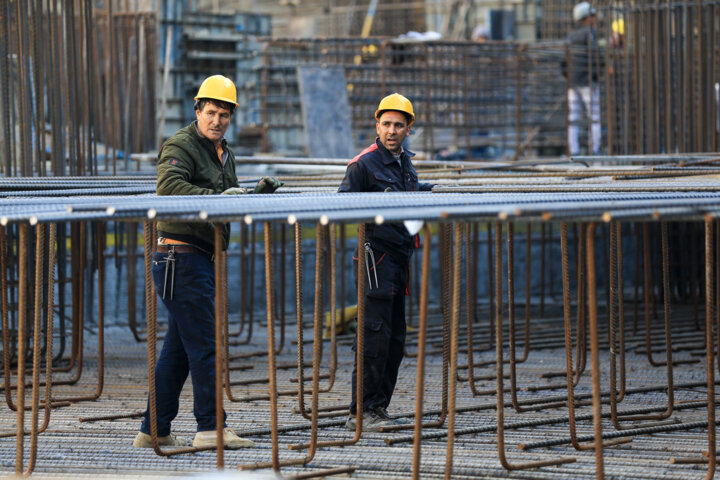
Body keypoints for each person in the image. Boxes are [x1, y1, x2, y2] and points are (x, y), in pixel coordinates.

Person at [133, 74, 281, 449]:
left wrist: (252, 194)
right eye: (211, 112)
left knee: (180, 351)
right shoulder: (181, 144)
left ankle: (153, 430)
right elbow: (169, 187)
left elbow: (223, 195)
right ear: (197, 110)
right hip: (179, 258)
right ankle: (210, 428)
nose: (217, 120)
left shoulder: (222, 151)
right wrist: (221, 193)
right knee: (206, 345)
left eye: (225, 115)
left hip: (194, 258)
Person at [338, 93, 433, 431]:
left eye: (398, 125)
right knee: (373, 336)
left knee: (394, 341)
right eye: (386, 124)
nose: (392, 130)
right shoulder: (363, 164)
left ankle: (378, 407)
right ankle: (359, 412)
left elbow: (410, 209)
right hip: (373, 260)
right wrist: (377, 205)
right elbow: (341, 207)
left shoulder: (406, 163)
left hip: (399, 259)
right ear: (377, 125)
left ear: (409, 128)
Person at [565, 1, 602, 156]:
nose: (594, 19)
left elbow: (563, 60)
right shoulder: (589, 34)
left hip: (573, 82)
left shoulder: (571, 36)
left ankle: (574, 151)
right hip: (587, 82)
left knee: (573, 117)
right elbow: (596, 56)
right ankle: (595, 150)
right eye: (592, 16)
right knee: (594, 116)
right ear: (586, 18)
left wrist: (569, 77)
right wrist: (597, 73)